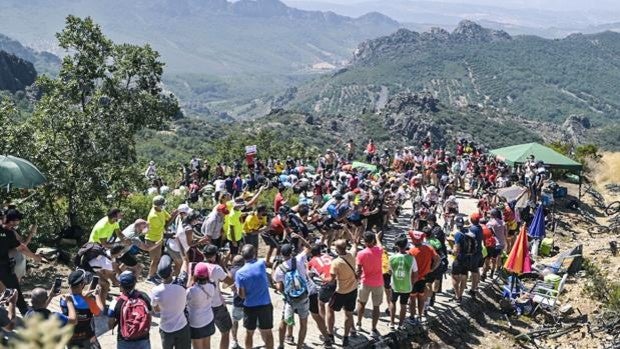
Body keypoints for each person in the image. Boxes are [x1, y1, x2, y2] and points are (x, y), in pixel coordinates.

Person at [0, 209, 43, 315]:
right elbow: (22, 248)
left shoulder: (9, 232)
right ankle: (26, 313)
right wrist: (35, 257)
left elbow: (20, 247)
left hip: (5, 266)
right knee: (15, 291)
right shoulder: (8, 232)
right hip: (3, 267)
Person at [235, 244, 274, 349]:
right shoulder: (261, 264)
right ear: (254, 254)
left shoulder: (239, 273)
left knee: (249, 333)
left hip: (250, 306)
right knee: (268, 332)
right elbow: (270, 265)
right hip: (265, 304)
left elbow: (242, 296)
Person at [272, 242, 310, 349]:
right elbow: (308, 248)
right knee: (303, 323)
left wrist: (273, 275)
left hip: (290, 300)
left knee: (284, 321)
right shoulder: (298, 259)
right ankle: (299, 346)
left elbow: (279, 287)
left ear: (281, 253)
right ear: (291, 252)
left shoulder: (280, 268)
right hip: (303, 297)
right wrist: (300, 238)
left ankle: (281, 344)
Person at [151, 255, 191, 349]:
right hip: (182, 326)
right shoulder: (181, 284)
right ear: (171, 271)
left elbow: (156, 310)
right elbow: (185, 267)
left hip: (165, 328)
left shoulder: (156, 291)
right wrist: (184, 256)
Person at [61, 269, 105, 348]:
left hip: (71, 338)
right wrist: (97, 295)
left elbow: (76, 299)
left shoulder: (64, 299)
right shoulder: (89, 301)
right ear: (82, 284)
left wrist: (83, 295)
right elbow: (100, 312)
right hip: (87, 338)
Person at [108, 271, 152, 349]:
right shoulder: (144, 297)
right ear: (134, 284)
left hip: (124, 340)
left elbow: (110, 325)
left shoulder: (115, 302)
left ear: (120, 286)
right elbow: (149, 317)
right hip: (143, 338)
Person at [327, 239, 359, 347]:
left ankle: (330, 335)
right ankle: (346, 338)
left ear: (337, 249)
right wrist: (354, 240)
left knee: (330, 310)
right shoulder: (351, 255)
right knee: (348, 314)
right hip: (353, 289)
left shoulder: (336, 262)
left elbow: (331, 279)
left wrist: (322, 277)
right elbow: (355, 246)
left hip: (341, 291)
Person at [203, 245, 234, 349]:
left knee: (205, 335)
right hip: (216, 305)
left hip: (202, 305)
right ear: (215, 255)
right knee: (225, 331)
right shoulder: (217, 269)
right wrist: (223, 265)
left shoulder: (197, 265)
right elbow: (230, 281)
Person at [355, 231, 384, 338]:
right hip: (378, 283)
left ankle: (358, 323)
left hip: (365, 281)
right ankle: (373, 329)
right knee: (376, 306)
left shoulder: (361, 253)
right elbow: (380, 245)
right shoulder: (379, 250)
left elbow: (358, 270)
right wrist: (377, 237)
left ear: (364, 241)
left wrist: (357, 279)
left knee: (361, 303)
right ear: (373, 241)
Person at [146, 196, 178, 285]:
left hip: (158, 238)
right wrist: (174, 215)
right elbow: (165, 226)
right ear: (159, 205)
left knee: (157, 259)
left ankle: (153, 274)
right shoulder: (153, 216)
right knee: (155, 259)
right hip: (152, 240)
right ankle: (150, 277)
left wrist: (173, 214)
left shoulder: (161, 210)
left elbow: (168, 218)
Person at [408, 231, 439, 321]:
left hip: (413, 278)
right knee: (421, 297)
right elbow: (437, 259)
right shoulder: (429, 248)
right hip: (424, 277)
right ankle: (420, 316)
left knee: (412, 298)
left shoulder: (411, 251)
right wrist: (432, 269)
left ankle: (412, 317)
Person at [389, 235, 418, 329]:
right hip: (407, 286)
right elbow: (415, 274)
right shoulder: (411, 258)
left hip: (395, 285)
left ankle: (392, 323)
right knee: (403, 305)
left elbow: (389, 271)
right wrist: (412, 284)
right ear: (406, 246)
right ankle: (401, 325)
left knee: (392, 302)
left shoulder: (392, 258)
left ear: (397, 246)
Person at [186, 263, 216, 349]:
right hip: (208, 319)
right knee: (207, 345)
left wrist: (190, 279)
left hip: (195, 322)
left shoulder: (191, 291)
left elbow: (184, 301)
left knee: (197, 346)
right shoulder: (211, 286)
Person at [228, 256, 245, 349]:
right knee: (254, 322)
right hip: (250, 301)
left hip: (237, 300)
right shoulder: (248, 269)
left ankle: (234, 340)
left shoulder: (232, 271)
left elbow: (225, 285)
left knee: (234, 321)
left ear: (233, 263)